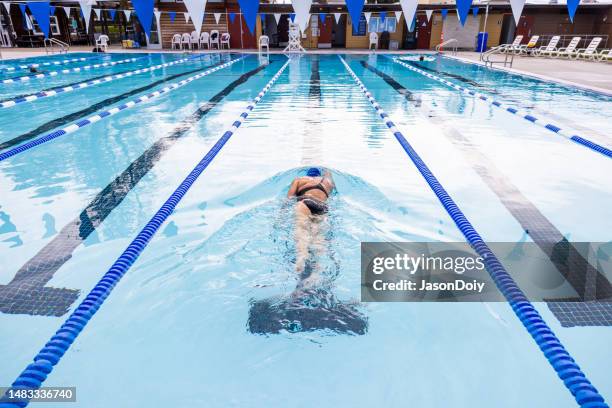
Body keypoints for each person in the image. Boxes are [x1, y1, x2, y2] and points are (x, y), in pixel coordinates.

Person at [286, 167, 335, 277]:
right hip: (322, 207)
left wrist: (281, 215)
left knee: (301, 229)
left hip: (305, 201)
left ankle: (301, 258)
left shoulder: (299, 180)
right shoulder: (328, 183)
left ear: (308, 174)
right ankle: (317, 269)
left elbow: (288, 199)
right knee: (318, 235)